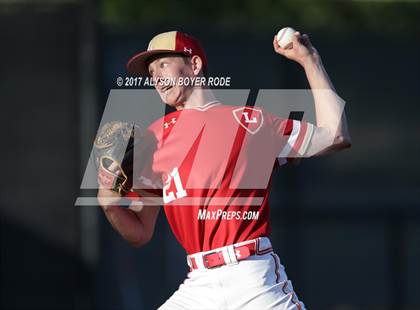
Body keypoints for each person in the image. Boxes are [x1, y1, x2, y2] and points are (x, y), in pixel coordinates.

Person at [97, 30, 351, 309]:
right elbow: (140, 233)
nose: (156, 77)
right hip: (199, 285)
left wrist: (310, 60)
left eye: (163, 64)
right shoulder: (154, 139)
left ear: (194, 66)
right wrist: (108, 203)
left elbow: (335, 136)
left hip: (252, 278)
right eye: (151, 71)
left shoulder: (251, 123)